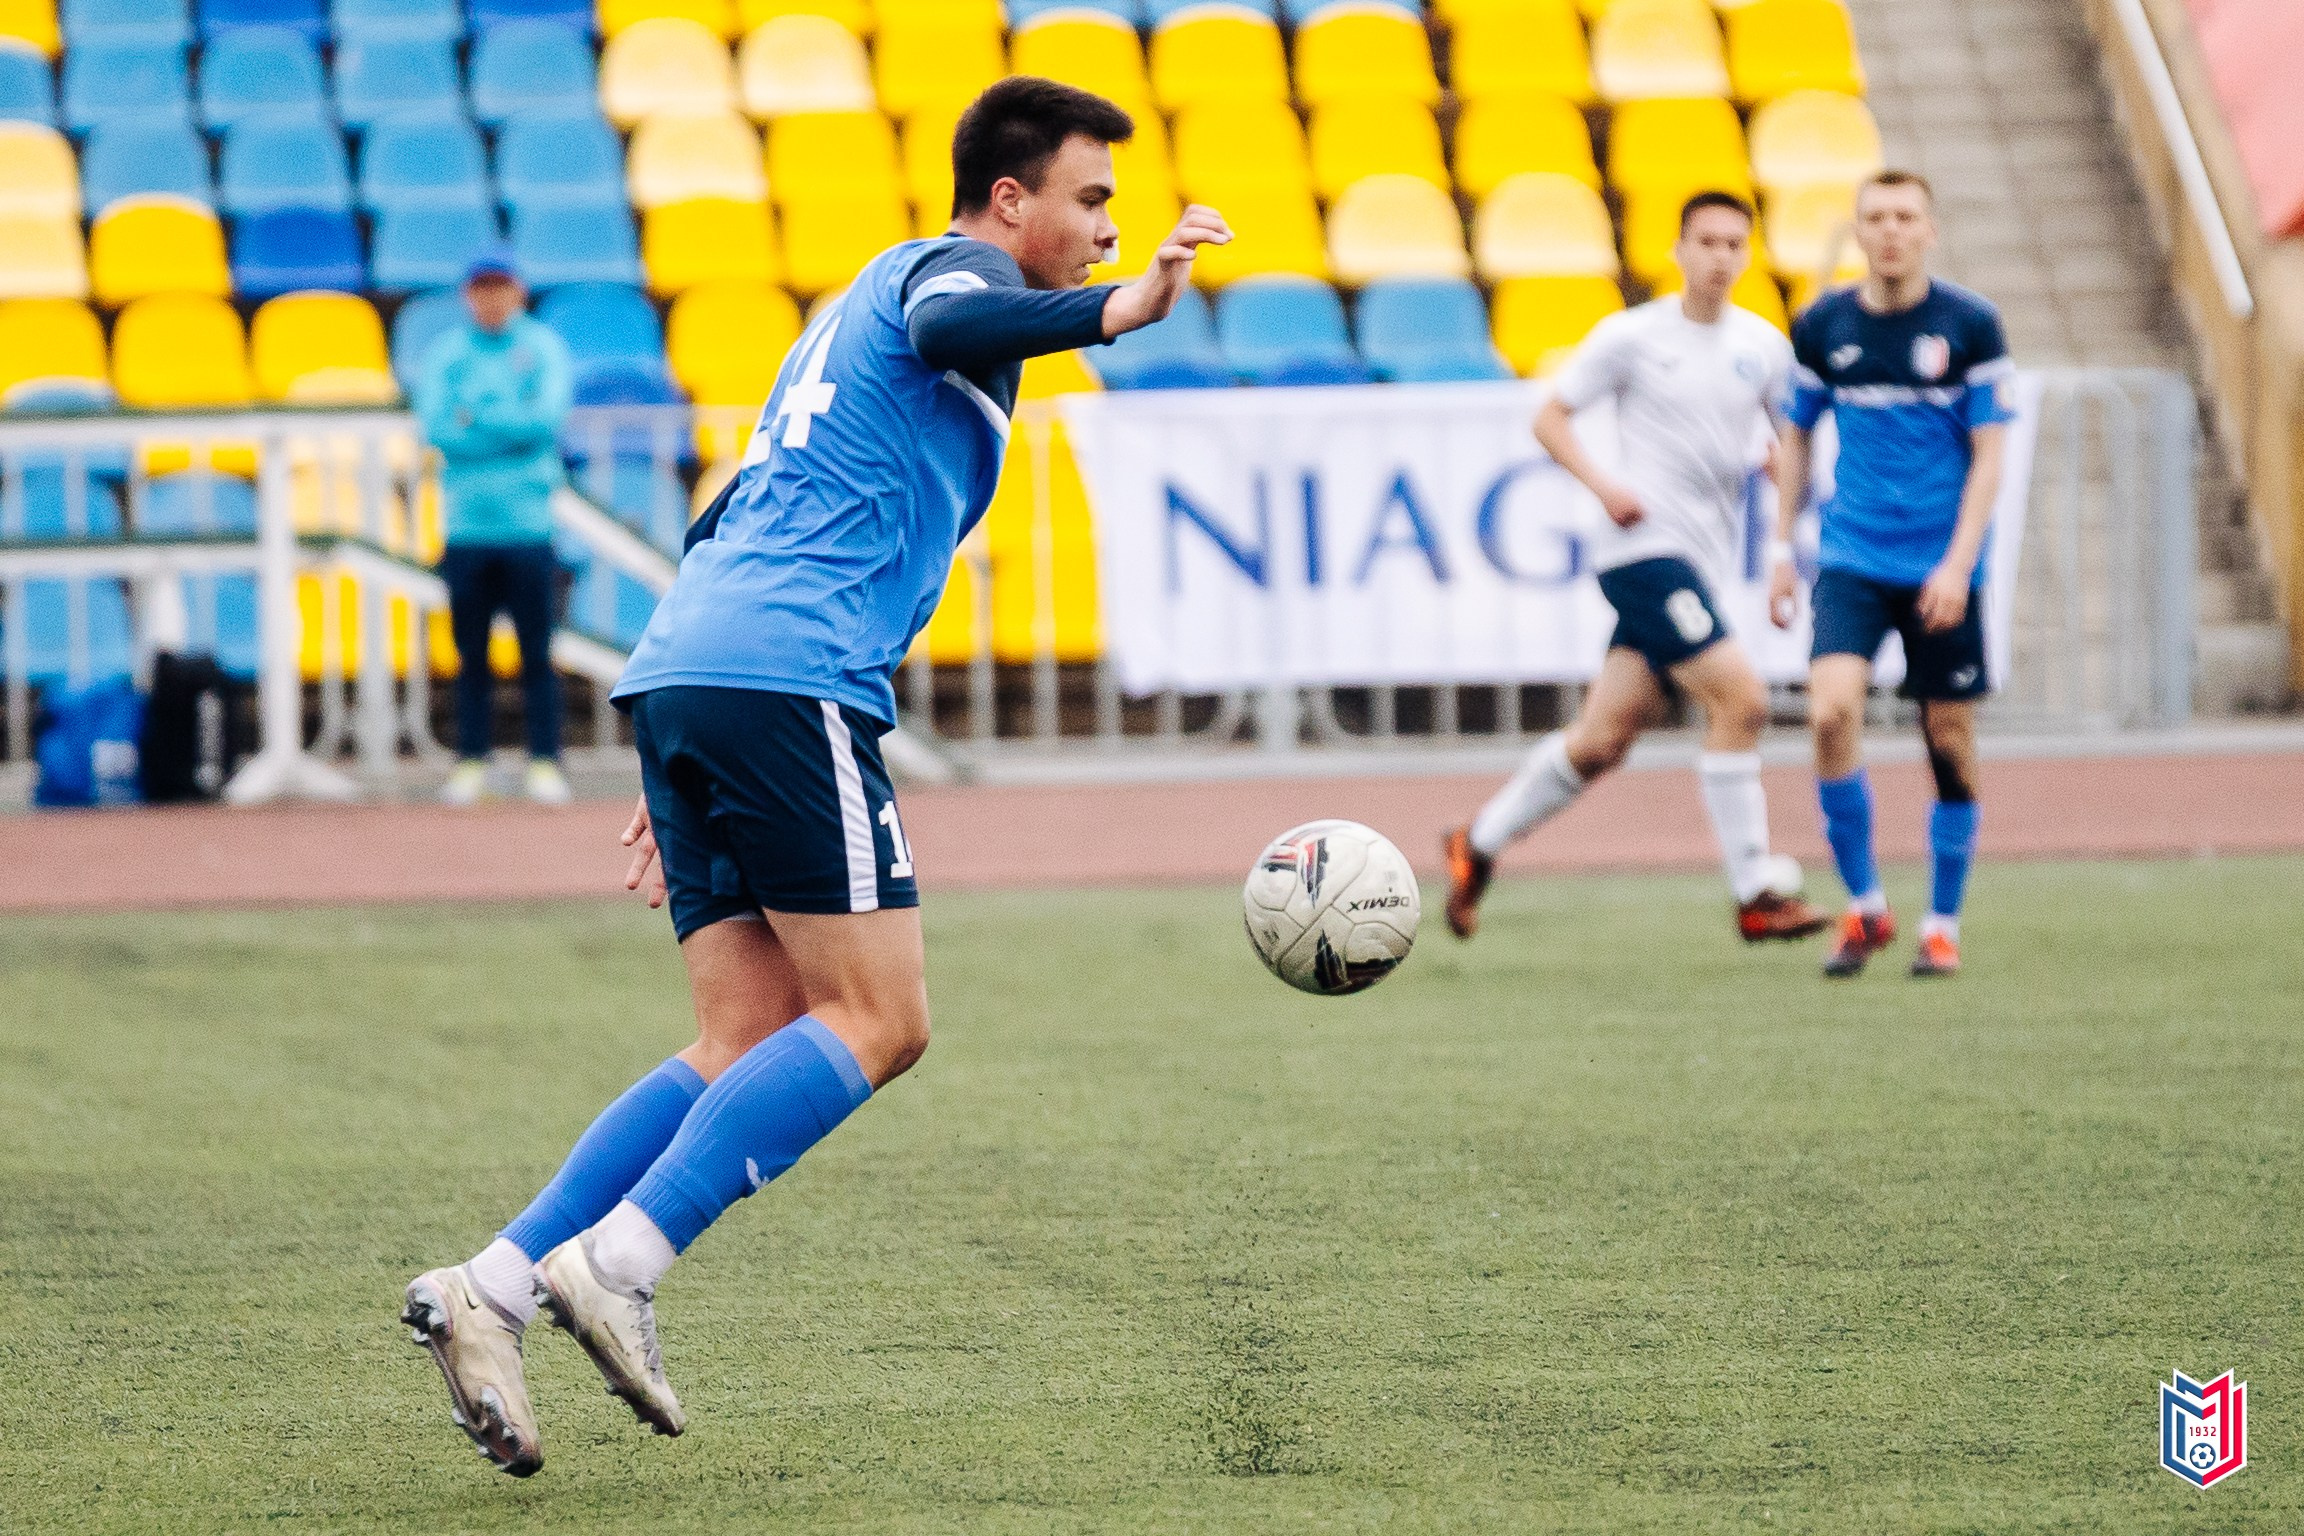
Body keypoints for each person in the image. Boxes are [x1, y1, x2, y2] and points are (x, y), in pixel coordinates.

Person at [399, 77, 1232, 1477]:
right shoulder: (949, 276)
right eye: (1090, 202)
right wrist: (1118, 313)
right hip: (784, 676)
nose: (1108, 229)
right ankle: (624, 1261)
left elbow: (732, 502)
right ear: (1011, 199)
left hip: (703, 667)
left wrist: (690, 738)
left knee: (741, 1035)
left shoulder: (848, 314)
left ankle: (488, 1289)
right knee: (881, 1020)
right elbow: (956, 320)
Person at [1444, 192, 1830, 946]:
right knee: (1743, 702)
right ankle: (1755, 890)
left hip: (1703, 563)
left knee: (1602, 739)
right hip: (1643, 553)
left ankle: (1477, 843)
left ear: (1748, 255)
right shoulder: (1632, 336)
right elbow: (1550, 417)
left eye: (1733, 244)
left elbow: (1793, 451)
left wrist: (1782, 540)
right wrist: (1605, 487)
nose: (1721, 257)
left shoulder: (1762, 346)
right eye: (1707, 242)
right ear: (1678, 250)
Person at [1769, 169, 2013, 979]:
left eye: (1905, 216)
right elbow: (1796, 438)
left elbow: (1988, 456)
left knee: (1946, 735)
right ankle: (1867, 906)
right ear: (1859, 230)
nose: (1890, 230)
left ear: (1929, 231)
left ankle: (1941, 920)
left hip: (1941, 566)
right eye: (1875, 217)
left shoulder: (1971, 324)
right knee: (1830, 713)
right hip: (1854, 557)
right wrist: (1779, 548)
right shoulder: (1824, 325)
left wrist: (1958, 563)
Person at [415, 250, 575, 807]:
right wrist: (512, 425)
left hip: (529, 526)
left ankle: (546, 760)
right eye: (481, 288)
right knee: (471, 656)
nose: (491, 298)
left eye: (500, 287)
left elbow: (545, 421)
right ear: (467, 294)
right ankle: (471, 760)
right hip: (466, 529)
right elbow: (437, 427)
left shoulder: (541, 348)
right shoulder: (447, 354)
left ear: (518, 291)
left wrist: (477, 415)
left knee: (537, 651)